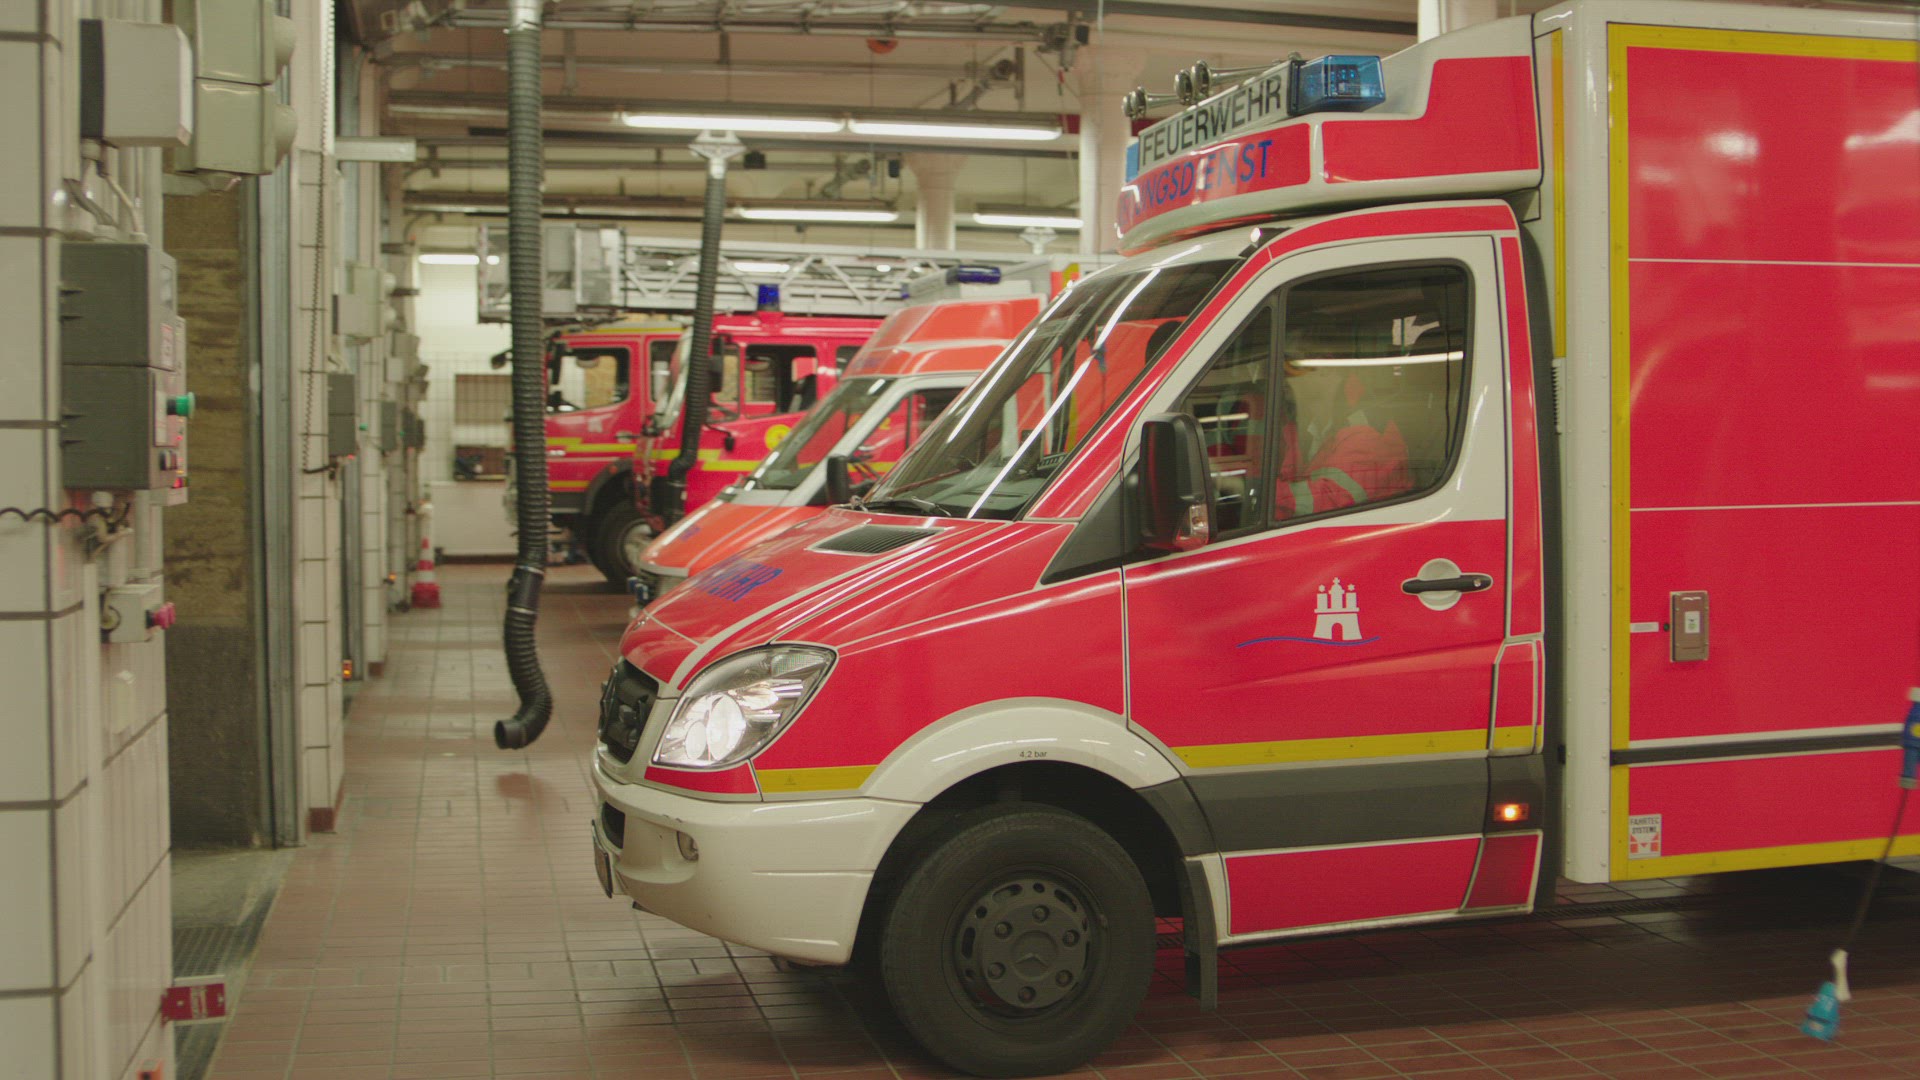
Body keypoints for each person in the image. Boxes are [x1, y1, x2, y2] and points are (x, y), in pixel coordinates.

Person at [1273, 360, 1413, 519]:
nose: (1283, 377)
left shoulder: (1367, 431)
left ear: (1326, 370)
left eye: (1292, 367)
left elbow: (1329, 500)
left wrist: (1264, 493)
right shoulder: (1304, 426)